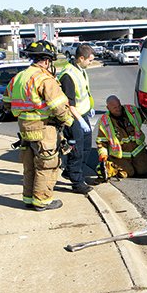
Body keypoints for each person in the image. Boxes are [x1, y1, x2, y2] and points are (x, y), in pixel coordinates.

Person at [3, 40, 75, 211]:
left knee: (30, 166)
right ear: (46, 60)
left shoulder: (18, 77)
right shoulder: (44, 79)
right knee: (47, 166)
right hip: (44, 129)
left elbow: (6, 102)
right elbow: (58, 107)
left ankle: (28, 198)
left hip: (25, 130)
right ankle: (42, 201)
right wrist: (70, 122)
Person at [58, 44, 95, 194]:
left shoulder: (81, 70)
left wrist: (89, 108)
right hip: (73, 117)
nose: (91, 63)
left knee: (86, 146)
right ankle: (77, 182)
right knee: (77, 150)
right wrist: (79, 120)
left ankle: (72, 171)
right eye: (90, 60)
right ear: (81, 58)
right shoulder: (68, 75)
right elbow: (69, 104)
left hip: (83, 113)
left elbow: (84, 92)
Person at [95, 95, 147, 178]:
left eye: (119, 106)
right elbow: (101, 141)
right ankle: (110, 166)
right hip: (121, 155)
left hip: (137, 150)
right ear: (108, 108)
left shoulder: (132, 111)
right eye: (114, 108)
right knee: (128, 173)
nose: (118, 109)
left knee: (143, 171)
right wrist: (103, 155)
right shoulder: (105, 121)